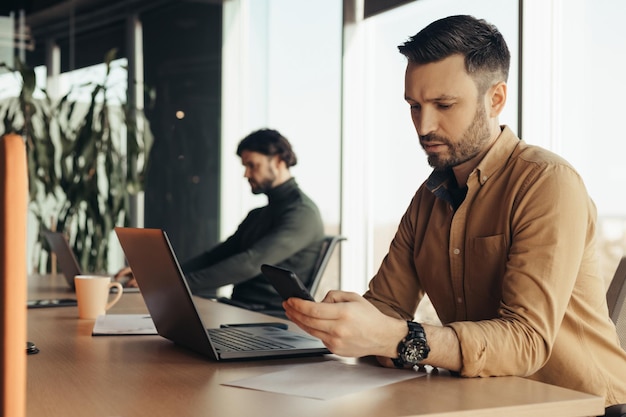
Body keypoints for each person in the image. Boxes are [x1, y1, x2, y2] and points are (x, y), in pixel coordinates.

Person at [283, 15, 626, 412]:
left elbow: (526, 341)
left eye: (444, 105)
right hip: (485, 401)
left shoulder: (548, 183)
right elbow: (387, 310)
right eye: (414, 106)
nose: (424, 126)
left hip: (585, 407)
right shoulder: (428, 198)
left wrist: (396, 338)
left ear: (495, 98)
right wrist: (351, 324)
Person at [117, 128, 324, 310]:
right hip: (241, 310)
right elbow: (215, 256)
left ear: (278, 161)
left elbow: (250, 263)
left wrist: (168, 285)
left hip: (271, 320)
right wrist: (159, 274)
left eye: (252, 165)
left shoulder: (302, 214)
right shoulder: (258, 215)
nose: (246, 174)